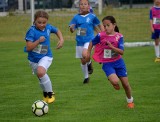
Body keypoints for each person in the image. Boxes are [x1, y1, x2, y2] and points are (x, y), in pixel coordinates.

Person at [87, 16, 134, 108]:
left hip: (119, 62)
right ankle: (112, 81)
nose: (106, 28)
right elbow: (92, 42)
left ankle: (130, 101)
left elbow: (122, 52)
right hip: (107, 63)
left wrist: (112, 47)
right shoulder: (101, 35)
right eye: (104, 26)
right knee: (115, 81)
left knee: (126, 84)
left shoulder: (119, 36)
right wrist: (89, 53)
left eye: (108, 25)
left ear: (114, 25)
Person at [24, 10, 64, 104]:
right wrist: (38, 41)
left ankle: (50, 93)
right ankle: (46, 93)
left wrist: (61, 40)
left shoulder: (48, 27)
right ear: (34, 21)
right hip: (33, 60)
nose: (42, 24)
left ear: (47, 21)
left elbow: (57, 30)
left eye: (44, 22)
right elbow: (28, 48)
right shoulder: (31, 31)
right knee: (40, 77)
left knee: (41, 71)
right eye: (39, 22)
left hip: (46, 56)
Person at [69, 0, 104, 84]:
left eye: (85, 4)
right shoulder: (76, 17)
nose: (83, 6)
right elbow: (72, 29)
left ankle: (90, 63)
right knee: (83, 61)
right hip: (79, 41)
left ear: (88, 6)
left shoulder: (92, 16)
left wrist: (103, 34)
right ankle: (86, 77)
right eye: (81, 4)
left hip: (89, 40)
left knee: (85, 54)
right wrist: (71, 28)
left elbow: (99, 24)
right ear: (79, 6)